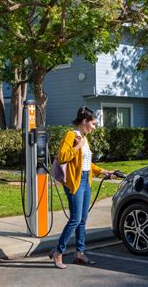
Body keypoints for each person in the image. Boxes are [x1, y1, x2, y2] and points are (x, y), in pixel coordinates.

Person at [49, 107, 115, 269]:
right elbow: (62, 157)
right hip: (75, 182)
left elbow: (86, 164)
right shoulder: (71, 135)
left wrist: (103, 171)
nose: (95, 127)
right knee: (75, 219)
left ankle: (80, 253)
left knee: (82, 220)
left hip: (86, 181)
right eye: (93, 123)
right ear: (84, 121)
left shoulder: (84, 138)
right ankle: (58, 252)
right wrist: (78, 146)